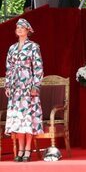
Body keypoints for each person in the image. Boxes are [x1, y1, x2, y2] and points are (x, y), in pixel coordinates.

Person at [5, 18, 44, 162]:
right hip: (15, 87)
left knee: (28, 117)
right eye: (17, 27)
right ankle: (20, 149)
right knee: (18, 119)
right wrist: (8, 85)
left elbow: (38, 68)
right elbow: (8, 69)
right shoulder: (12, 48)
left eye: (22, 27)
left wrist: (35, 85)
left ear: (28, 30)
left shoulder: (34, 47)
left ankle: (28, 149)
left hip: (28, 86)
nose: (19, 29)